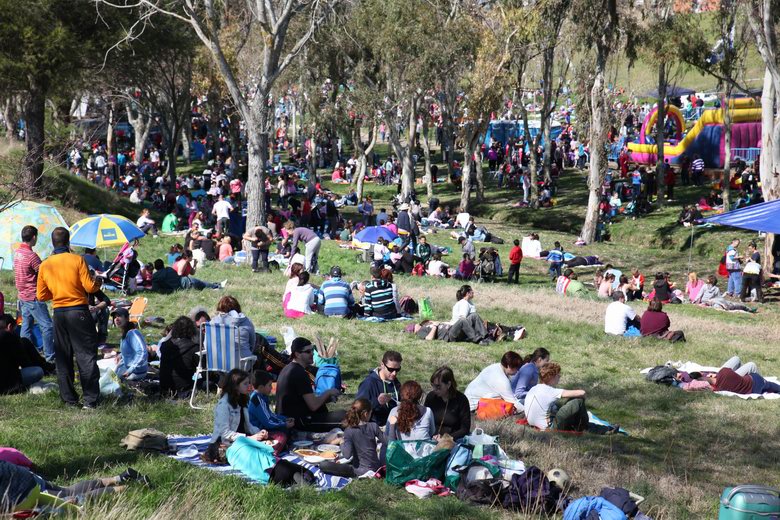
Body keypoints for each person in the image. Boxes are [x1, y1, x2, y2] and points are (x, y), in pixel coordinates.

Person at [36, 227, 102, 409]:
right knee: (85, 355)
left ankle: (69, 400)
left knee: (63, 357)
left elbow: (41, 295)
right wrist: (97, 282)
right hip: (78, 311)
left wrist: (58, 292)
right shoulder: (77, 259)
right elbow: (89, 287)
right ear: (68, 242)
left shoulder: (45, 264)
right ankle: (90, 400)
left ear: (53, 242)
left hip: (59, 313)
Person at [276, 337, 343, 432]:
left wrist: (326, 398)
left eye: (312, 350)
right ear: (297, 354)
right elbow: (313, 405)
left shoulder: (289, 368)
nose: (312, 354)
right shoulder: (298, 373)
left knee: (325, 409)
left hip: (290, 418)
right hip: (297, 422)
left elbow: (308, 400)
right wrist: (329, 392)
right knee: (346, 418)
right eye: (308, 351)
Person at [13, 225, 55, 363]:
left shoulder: (17, 252)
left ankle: (26, 356)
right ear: (34, 237)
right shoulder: (32, 256)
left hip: (22, 295)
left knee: (26, 326)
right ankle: (50, 357)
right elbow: (43, 273)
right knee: (47, 326)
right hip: (33, 296)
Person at [318, 399, 385, 478]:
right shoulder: (374, 426)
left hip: (359, 471)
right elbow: (386, 441)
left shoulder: (349, 431)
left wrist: (341, 442)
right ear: (366, 414)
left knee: (323, 465)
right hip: (376, 468)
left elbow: (347, 455)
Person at [524, 363, 589, 432]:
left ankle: (578, 424)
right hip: (549, 428)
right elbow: (582, 392)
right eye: (558, 375)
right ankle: (584, 428)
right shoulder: (550, 391)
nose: (560, 377)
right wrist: (583, 397)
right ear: (551, 377)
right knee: (578, 400)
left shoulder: (533, 388)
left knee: (565, 404)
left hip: (533, 424)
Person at [210, 368, 269, 445]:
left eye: (248, 383)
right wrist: (249, 438)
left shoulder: (242, 400)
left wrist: (259, 432)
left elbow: (247, 425)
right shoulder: (224, 404)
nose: (248, 386)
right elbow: (224, 433)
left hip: (242, 440)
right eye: (245, 384)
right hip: (225, 443)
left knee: (277, 439)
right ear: (235, 386)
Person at [0, 313, 54, 395]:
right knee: (38, 371)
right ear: (9, 326)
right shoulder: (10, 338)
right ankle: (46, 368)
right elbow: (25, 363)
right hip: (8, 384)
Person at [247, 370, 293, 454]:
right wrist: (284, 424)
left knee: (285, 430)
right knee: (281, 435)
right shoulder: (257, 399)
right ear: (261, 387)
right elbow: (268, 422)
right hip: (258, 432)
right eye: (269, 385)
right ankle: (271, 453)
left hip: (263, 429)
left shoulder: (261, 397)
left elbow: (270, 415)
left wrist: (284, 419)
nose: (271, 388)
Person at [356, 350, 403, 427]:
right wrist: (377, 401)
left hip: (394, 425)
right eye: (391, 369)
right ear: (382, 365)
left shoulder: (396, 383)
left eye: (397, 370)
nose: (394, 373)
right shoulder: (369, 383)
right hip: (376, 427)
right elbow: (358, 408)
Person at [424, 366, 471, 441]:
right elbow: (424, 421)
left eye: (438, 386)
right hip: (432, 438)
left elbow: (465, 429)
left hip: (454, 440)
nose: (435, 389)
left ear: (448, 384)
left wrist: (446, 438)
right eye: (433, 385)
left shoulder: (461, 400)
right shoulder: (431, 397)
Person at [158, 316, 200, 399]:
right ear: (191, 330)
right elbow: (201, 369)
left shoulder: (165, 345)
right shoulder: (194, 347)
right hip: (183, 390)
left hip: (164, 389)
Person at [111, 308, 148, 381]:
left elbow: (142, 352)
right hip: (128, 367)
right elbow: (130, 350)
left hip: (137, 372)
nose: (116, 319)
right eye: (115, 317)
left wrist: (130, 370)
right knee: (111, 377)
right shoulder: (126, 333)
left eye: (119, 316)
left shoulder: (132, 333)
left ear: (127, 318)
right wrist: (121, 355)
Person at [708, 364, 780, 395]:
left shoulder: (718, 388)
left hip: (753, 384)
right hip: (756, 383)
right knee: (771, 385)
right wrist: (717, 375)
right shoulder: (724, 372)